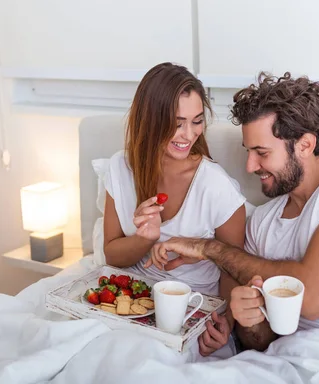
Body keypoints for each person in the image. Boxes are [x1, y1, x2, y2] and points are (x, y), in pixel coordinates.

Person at [147, 72, 319, 362]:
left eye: (261, 152)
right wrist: (249, 320)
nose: (249, 166)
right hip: (293, 362)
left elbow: (312, 299)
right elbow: (260, 342)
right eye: (249, 152)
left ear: (305, 145)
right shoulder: (262, 223)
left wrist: (209, 248)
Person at [103, 62, 246, 358]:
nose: (187, 134)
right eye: (177, 122)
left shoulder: (216, 187)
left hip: (188, 313)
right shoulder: (120, 167)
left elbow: (235, 268)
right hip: (129, 300)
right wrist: (144, 238)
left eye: (196, 121)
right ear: (150, 119)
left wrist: (226, 323)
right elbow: (112, 255)